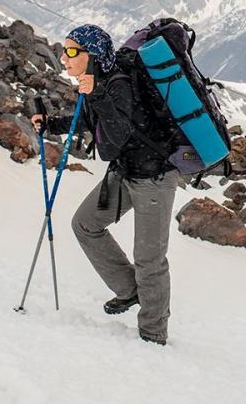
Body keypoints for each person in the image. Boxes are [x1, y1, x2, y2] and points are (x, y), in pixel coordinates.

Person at [32, 24, 186, 346]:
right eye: (64, 50)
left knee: (149, 258)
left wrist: (96, 94)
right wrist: (51, 124)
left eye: (72, 52)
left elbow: (112, 142)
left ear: (92, 55)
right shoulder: (97, 83)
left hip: (154, 178)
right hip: (127, 172)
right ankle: (130, 290)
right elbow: (89, 121)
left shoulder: (117, 85)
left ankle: (153, 333)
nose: (64, 58)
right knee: (85, 224)